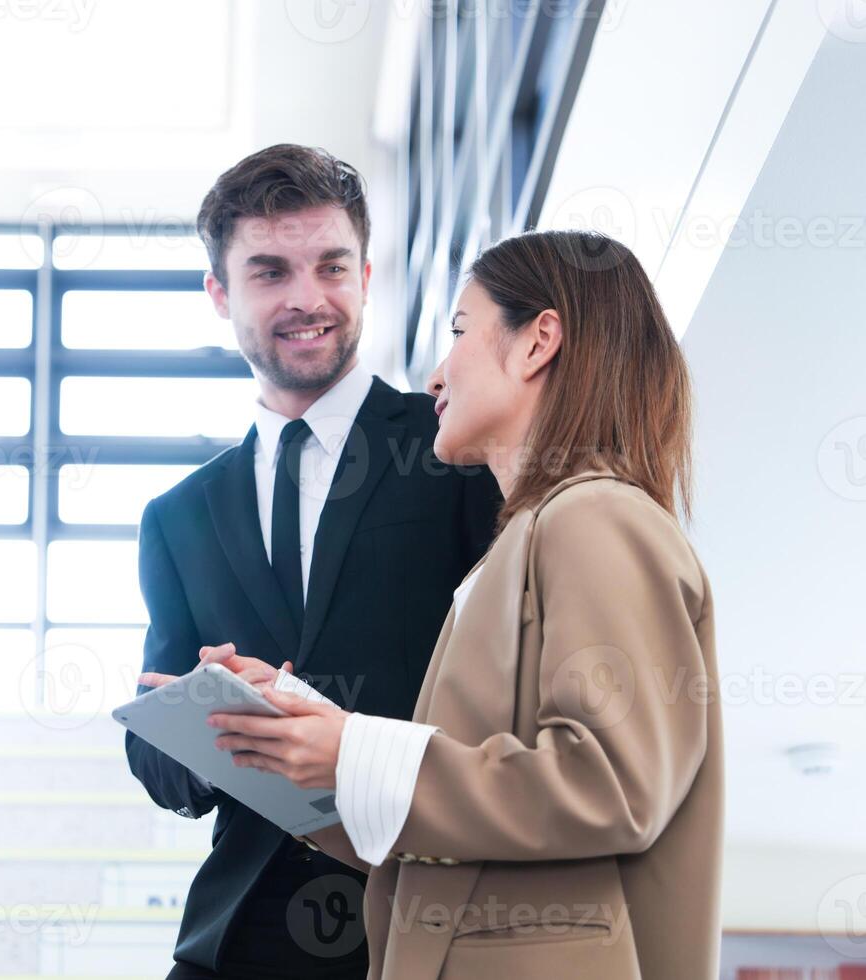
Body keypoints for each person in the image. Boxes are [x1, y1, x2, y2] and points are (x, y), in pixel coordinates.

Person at [207, 230, 722, 979]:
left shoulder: (595, 517)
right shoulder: (522, 545)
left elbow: (611, 783)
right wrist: (300, 747)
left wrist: (352, 749)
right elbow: (470, 830)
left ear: (537, 342)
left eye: (457, 332)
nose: (435, 375)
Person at [126, 144, 500, 979]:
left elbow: (510, 689)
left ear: (365, 274)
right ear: (220, 295)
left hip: (413, 917)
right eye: (269, 273)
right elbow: (159, 767)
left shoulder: (456, 453)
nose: (307, 299)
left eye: (331, 266)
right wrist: (200, 714)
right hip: (236, 936)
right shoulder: (178, 516)